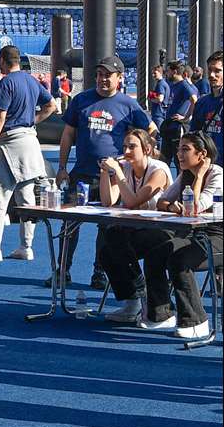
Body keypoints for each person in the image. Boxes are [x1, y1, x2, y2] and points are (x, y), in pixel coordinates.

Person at [53, 56, 157, 289]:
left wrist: (131, 156)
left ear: (119, 78)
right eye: (99, 74)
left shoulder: (128, 104)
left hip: (111, 177)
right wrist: (61, 168)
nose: (102, 79)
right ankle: (62, 270)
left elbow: (149, 130)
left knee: (108, 226)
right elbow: (68, 134)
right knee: (69, 224)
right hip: (81, 174)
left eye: (108, 75)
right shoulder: (81, 100)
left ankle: (99, 272)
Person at [0, 46, 57, 262]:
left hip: (12, 141)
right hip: (30, 140)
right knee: (26, 197)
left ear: (2, 60)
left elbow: (0, 116)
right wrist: (33, 121)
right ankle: (26, 246)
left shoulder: (6, 82)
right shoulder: (31, 80)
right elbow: (52, 105)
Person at [137, 132, 222, 338]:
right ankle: (161, 314)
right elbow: (162, 201)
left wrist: (200, 176)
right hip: (196, 233)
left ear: (202, 154)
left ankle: (196, 321)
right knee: (157, 253)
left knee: (179, 260)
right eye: (179, 149)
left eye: (186, 149)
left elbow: (194, 207)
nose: (179, 154)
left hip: (218, 235)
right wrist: (174, 206)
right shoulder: (185, 174)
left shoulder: (216, 174)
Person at [96, 128, 172, 323]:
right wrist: (105, 172)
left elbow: (132, 202)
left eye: (132, 146)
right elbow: (108, 201)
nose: (127, 151)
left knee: (118, 242)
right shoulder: (127, 168)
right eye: (124, 147)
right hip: (137, 229)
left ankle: (141, 293)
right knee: (107, 250)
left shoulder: (159, 170)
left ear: (146, 149)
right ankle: (133, 302)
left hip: (164, 230)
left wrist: (118, 174)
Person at [160, 60, 198, 173]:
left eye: (168, 71)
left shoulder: (184, 85)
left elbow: (194, 100)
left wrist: (185, 118)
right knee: (164, 159)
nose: (166, 74)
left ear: (174, 71)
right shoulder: (174, 85)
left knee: (179, 161)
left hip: (177, 128)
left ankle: (181, 187)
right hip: (169, 126)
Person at [190, 51, 222, 166]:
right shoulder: (202, 103)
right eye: (210, 70)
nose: (212, 75)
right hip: (206, 166)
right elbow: (194, 135)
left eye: (217, 71)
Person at [148, 64, 170, 128]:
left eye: (155, 73)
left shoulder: (161, 84)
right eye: (152, 73)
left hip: (159, 114)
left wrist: (151, 99)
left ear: (160, 73)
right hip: (161, 113)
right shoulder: (163, 83)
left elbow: (160, 99)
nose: (153, 75)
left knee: (158, 134)